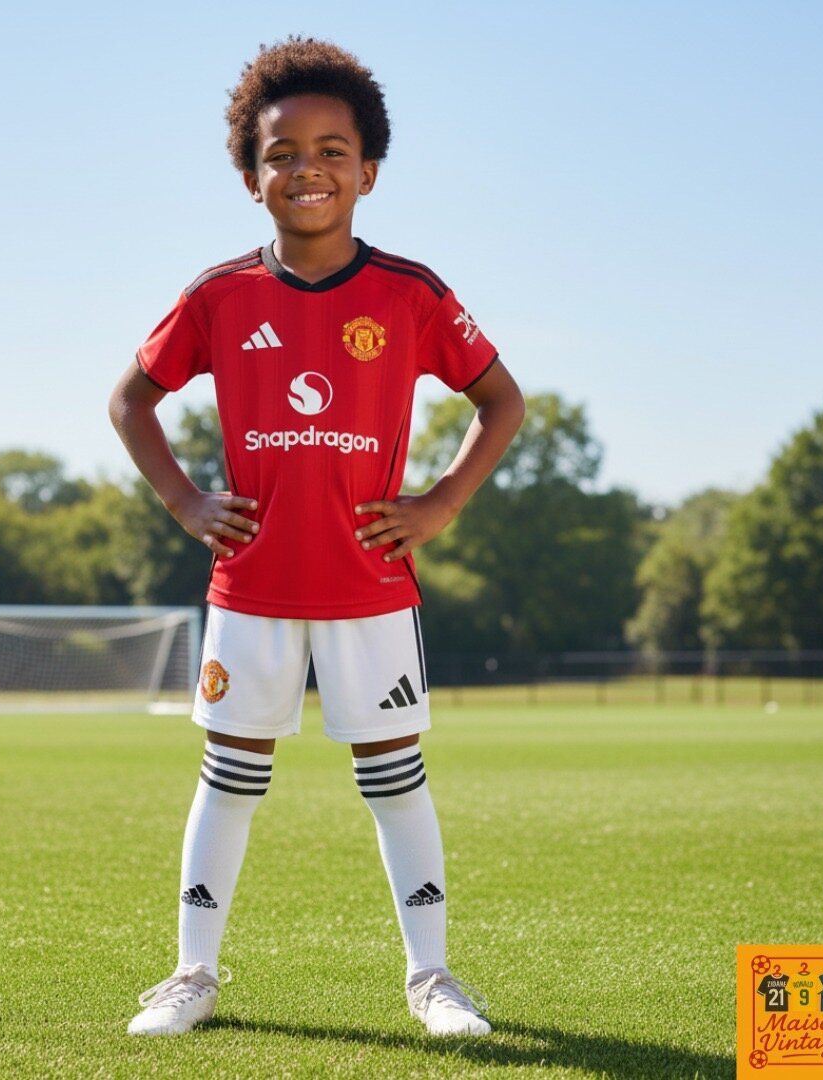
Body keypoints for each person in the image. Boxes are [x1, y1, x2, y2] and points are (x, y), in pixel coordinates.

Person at [109, 37, 525, 1038]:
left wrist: (440, 503)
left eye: (333, 151)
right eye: (283, 153)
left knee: (394, 779)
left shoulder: (411, 294)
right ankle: (192, 975)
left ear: (368, 171)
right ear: (251, 178)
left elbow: (501, 402)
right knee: (229, 778)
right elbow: (130, 401)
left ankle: (432, 979)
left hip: (369, 586)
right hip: (250, 588)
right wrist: (185, 503)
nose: (309, 169)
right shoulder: (218, 296)